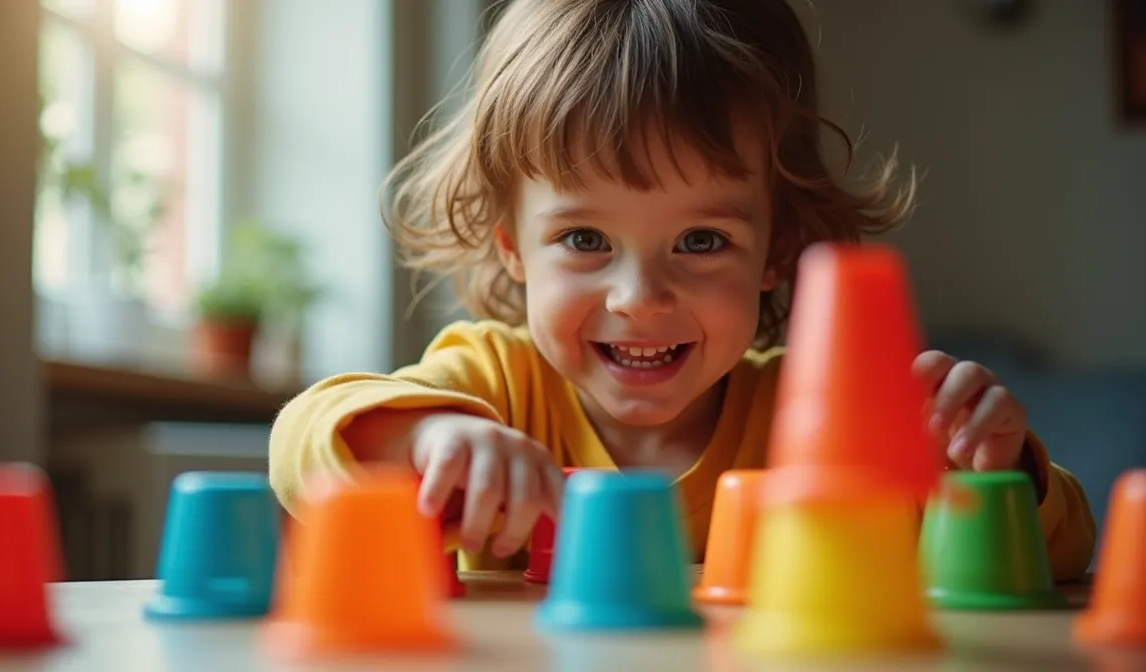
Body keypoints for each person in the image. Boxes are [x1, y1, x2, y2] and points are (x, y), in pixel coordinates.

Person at [267, 0, 1097, 582]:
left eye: (702, 241)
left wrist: (991, 470)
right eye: (585, 240)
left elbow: (1059, 556)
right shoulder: (495, 383)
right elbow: (302, 443)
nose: (640, 297)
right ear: (515, 250)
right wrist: (425, 441)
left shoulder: (818, 416)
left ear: (777, 253)